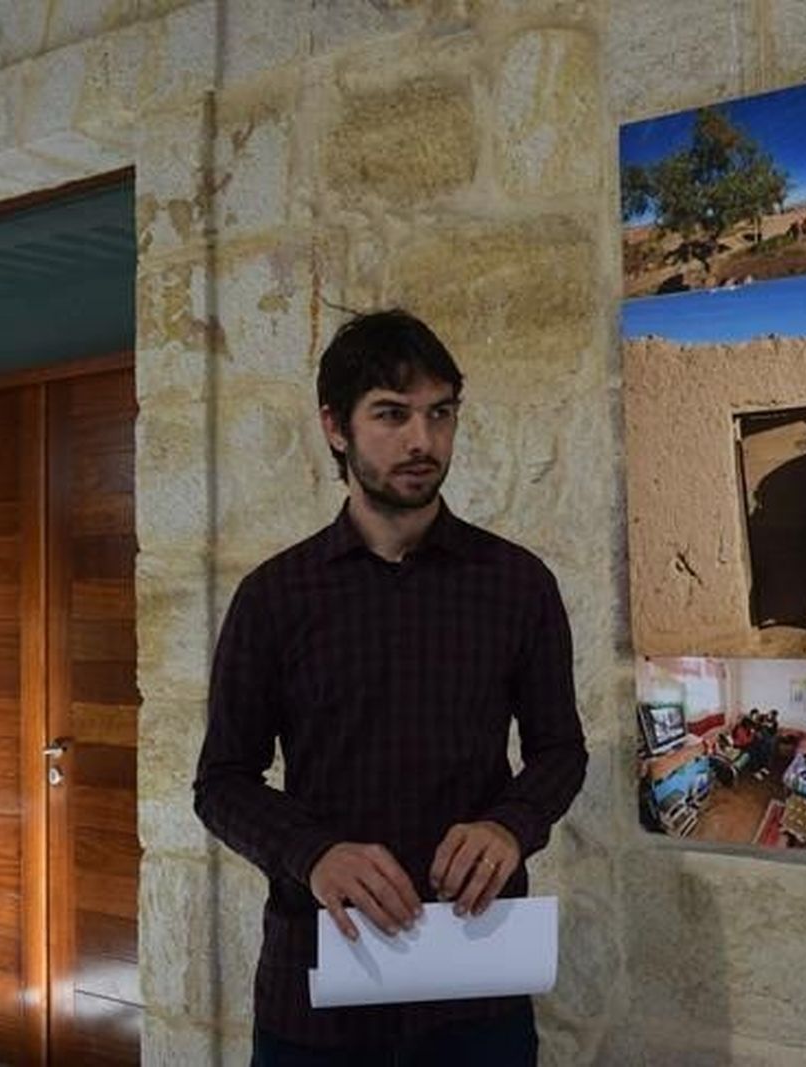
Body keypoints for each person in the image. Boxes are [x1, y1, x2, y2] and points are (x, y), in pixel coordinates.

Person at [193, 309, 589, 1066]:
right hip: (317, 995)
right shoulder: (274, 596)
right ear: (335, 427)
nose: (422, 441)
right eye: (392, 414)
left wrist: (511, 824)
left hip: (477, 988)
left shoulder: (516, 584)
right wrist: (312, 853)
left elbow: (560, 750)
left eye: (440, 414)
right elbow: (221, 781)